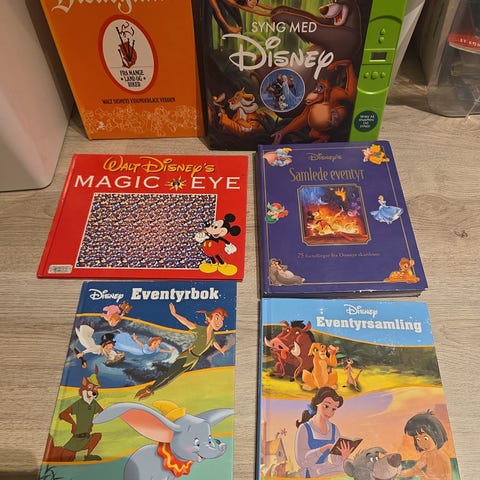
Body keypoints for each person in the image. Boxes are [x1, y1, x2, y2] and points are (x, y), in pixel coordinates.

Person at [135, 302, 230, 399]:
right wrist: (175, 314)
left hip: (193, 360)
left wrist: (221, 350)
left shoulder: (212, 336)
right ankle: (149, 389)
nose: (219, 322)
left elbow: (214, 343)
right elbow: (186, 322)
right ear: (209, 319)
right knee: (169, 374)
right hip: (187, 356)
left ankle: (151, 391)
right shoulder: (201, 330)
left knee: (172, 378)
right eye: (217, 318)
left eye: (221, 320)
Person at [295, 387, 352, 477]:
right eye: (326, 406)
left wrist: (342, 456)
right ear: (317, 403)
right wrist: (323, 448)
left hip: (325, 468)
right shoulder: (305, 428)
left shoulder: (334, 429)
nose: (329, 412)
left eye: (333, 409)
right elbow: (302, 461)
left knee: (347, 472)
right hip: (310, 471)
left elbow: (336, 461)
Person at [398, 410, 452, 480]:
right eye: (418, 439)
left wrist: (424, 477)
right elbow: (414, 470)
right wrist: (397, 474)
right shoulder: (426, 455)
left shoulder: (443, 457)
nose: (422, 443)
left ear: (436, 434)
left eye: (425, 438)